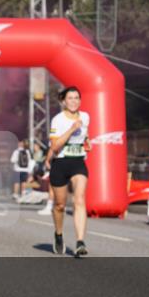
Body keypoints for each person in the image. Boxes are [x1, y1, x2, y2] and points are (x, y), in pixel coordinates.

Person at [47, 86, 91, 257]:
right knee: (60, 206)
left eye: (76, 98)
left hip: (78, 162)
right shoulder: (57, 120)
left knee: (79, 199)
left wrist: (87, 140)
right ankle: (58, 234)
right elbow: (55, 146)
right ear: (64, 101)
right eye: (70, 98)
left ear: (80, 101)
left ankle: (80, 242)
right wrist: (72, 129)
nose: (73, 101)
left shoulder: (86, 117)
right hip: (60, 163)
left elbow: (85, 133)